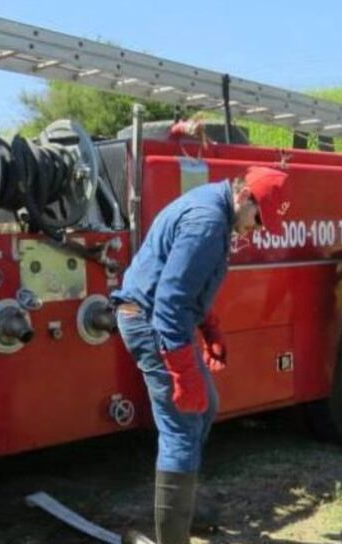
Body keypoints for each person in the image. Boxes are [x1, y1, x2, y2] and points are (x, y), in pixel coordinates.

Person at [110, 166, 290, 544]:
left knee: (205, 408)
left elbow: (187, 285)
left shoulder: (215, 210)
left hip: (160, 321)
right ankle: (172, 537)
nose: (256, 229)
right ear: (245, 197)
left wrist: (210, 329)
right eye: (258, 219)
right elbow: (170, 302)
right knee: (183, 425)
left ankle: (182, 510)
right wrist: (183, 372)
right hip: (152, 323)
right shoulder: (207, 223)